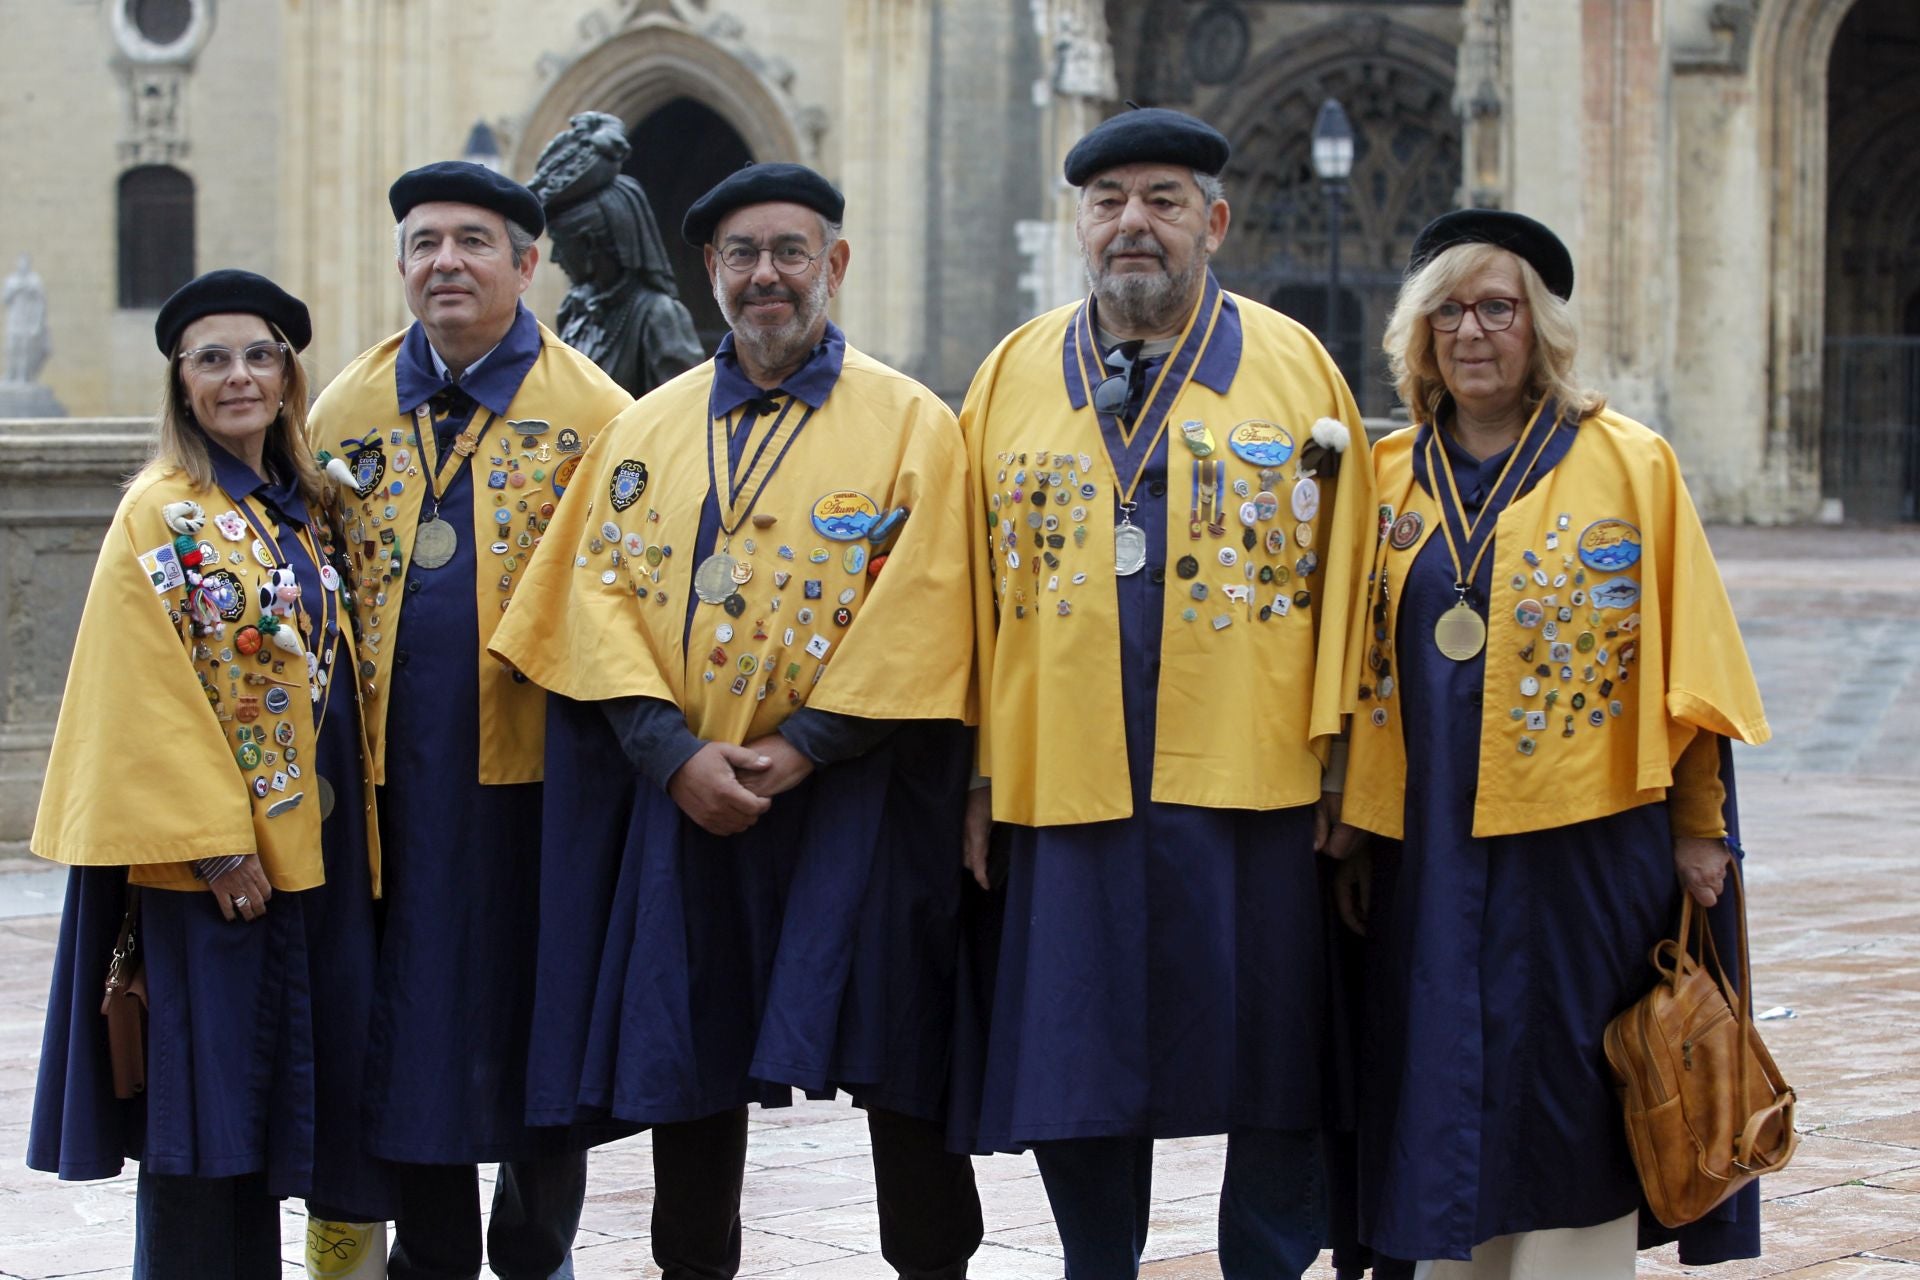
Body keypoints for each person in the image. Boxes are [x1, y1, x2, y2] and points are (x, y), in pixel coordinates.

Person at [490, 161, 983, 1280]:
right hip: (690, 797)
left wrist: (810, 744)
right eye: (743, 255)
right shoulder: (644, 428)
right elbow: (590, 594)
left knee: (900, 1059)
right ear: (711, 271)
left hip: (859, 798)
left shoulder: (916, 423)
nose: (769, 276)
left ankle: (935, 1266)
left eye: (791, 251)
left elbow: (931, 600)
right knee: (689, 1064)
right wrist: (669, 754)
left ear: (835, 264)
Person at [954, 107, 1375, 1279]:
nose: (1133, 222)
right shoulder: (1008, 375)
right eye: (1109, 201)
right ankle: (1101, 1262)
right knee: (1079, 1058)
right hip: (1061, 780)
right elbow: (964, 595)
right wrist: (977, 776)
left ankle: (1269, 1263)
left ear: (1214, 220)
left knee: (1275, 1059)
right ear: (1078, 221)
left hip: (1255, 785)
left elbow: (1352, 577)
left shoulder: (1299, 368)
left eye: (1163, 199)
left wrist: (1345, 770)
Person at [1329, 209, 1772, 1278]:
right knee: (1437, 1069)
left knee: (1571, 1075)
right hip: (1425, 848)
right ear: (1419, 333)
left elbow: (1694, 668)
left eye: (1497, 307)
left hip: (1589, 847)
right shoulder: (1385, 480)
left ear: (1541, 329)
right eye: (1448, 310)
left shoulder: (1631, 463)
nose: (1472, 331)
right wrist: (1348, 819)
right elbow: (1337, 668)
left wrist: (1699, 829)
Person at [27, 269, 390, 1278]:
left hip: (314, 867)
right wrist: (216, 846)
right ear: (181, 382)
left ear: (288, 373)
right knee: (206, 1122)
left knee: (292, 1107)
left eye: (259, 354)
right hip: (214, 880)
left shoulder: (301, 510)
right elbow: (137, 687)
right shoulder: (161, 513)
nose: (239, 376)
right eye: (212, 358)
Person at [306, 162, 632, 1280]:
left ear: (527, 263)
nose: (447, 261)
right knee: (411, 1024)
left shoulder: (597, 414)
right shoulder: (342, 411)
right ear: (401, 267)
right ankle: (433, 1252)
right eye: (424, 243)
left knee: (538, 1014)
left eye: (474, 242)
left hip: (540, 782)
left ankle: (537, 1247)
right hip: (387, 788)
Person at [527, 111, 705, 397]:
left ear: (593, 244)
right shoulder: (575, 311)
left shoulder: (658, 316)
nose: (556, 257)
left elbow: (684, 414)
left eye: (562, 244)